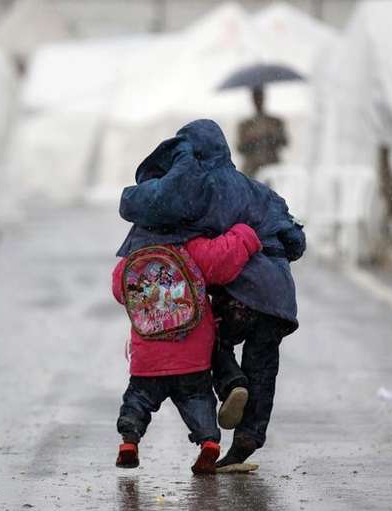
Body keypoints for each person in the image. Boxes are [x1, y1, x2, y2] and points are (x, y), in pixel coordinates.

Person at [117, 119, 306, 468]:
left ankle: (231, 382)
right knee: (263, 366)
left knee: (211, 337)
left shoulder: (195, 186)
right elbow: (294, 237)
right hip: (278, 298)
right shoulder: (252, 188)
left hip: (241, 295)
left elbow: (149, 208)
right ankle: (248, 438)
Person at [112, 222, 262, 474]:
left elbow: (119, 290)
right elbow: (223, 260)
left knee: (137, 400)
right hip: (192, 358)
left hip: (147, 360)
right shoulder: (191, 247)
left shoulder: (132, 258)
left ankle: (129, 441)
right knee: (198, 401)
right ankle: (209, 444)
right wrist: (246, 234)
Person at [237, 86, 288, 178]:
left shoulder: (275, 122)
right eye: (256, 97)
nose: (258, 101)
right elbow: (240, 148)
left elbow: (284, 142)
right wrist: (251, 140)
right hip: (251, 170)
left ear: (264, 98)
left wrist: (271, 136)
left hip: (272, 167)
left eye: (260, 97)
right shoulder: (245, 125)